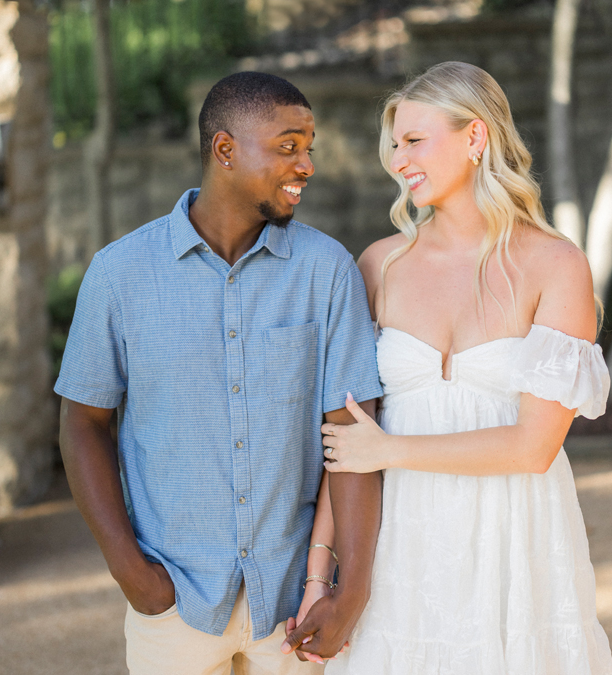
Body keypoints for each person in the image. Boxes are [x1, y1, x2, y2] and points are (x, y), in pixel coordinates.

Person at [55, 71, 384, 675]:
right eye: (288, 146)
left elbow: (354, 437)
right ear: (225, 150)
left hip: (293, 608)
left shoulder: (327, 271)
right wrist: (132, 571)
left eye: (309, 146)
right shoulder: (119, 274)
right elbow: (82, 424)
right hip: (173, 601)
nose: (307, 164)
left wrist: (351, 588)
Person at [317, 62, 612, 674]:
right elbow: (345, 441)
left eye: (414, 141)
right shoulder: (380, 265)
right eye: (394, 145)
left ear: (476, 138)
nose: (398, 160)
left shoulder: (555, 266)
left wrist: (389, 450)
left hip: (514, 537)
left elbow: (533, 448)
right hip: (401, 537)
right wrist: (321, 574)